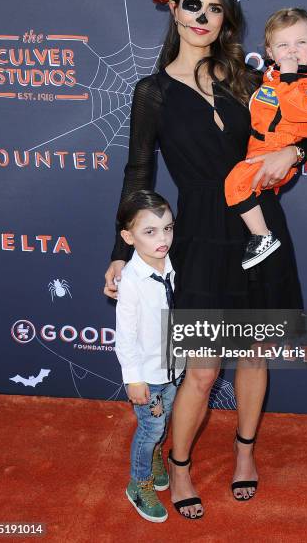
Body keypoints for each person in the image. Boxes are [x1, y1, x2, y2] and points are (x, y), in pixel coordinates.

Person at [104, 0, 307, 519]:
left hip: (259, 229)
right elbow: (138, 175)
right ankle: (178, 466)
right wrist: (122, 252)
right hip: (199, 234)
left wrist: (292, 152)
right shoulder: (151, 92)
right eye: (191, 3)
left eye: (214, 7)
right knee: (201, 369)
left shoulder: (251, 81)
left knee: (253, 355)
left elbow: (301, 131)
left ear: (226, 20)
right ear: (173, 9)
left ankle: (245, 453)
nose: (201, 16)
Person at [225, 8, 307, 270]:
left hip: (279, 152)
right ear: (270, 53)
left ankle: (262, 236)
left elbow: (302, 113)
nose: (292, 51)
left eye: (301, 42)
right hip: (258, 149)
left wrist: (289, 78)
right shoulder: (268, 77)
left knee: (234, 182)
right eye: (283, 45)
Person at [114, 190, 184, 523]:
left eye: (168, 228)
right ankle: (138, 484)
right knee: (150, 429)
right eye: (150, 231)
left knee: (162, 423)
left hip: (174, 369)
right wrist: (134, 377)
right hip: (148, 375)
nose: (163, 238)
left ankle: (156, 457)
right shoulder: (130, 281)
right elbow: (125, 335)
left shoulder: (175, 266)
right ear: (128, 237)